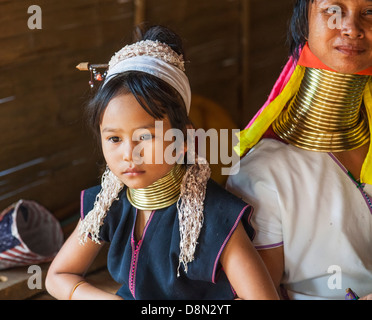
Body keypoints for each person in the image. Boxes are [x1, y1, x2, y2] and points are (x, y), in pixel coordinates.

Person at [45, 25, 278, 300]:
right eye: (115, 139)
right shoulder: (107, 204)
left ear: (185, 139)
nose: (129, 153)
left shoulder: (215, 216)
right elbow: (58, 276)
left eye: (145, 136)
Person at [226, 0, 372, 300]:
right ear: (303, 23)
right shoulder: (263, 175)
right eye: (332, 11)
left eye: (370, 12)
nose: (351, 28)